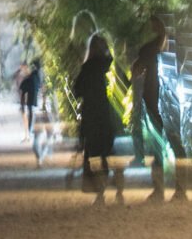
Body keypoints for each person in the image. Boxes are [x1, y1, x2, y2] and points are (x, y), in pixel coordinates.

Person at [125, 14, 183, 203]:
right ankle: (175, 190)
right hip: (162, 106)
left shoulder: (150, 53)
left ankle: (163, 190)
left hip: (156, 107)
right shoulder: (154, 53)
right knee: (169, 149)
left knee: (161, 151)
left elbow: (137, 71)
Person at [72, 31, 120, 203]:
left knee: (93, 152)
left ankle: (99, 190)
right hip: (102, 110)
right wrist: (106, 48)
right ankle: (112, 187)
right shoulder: (102, 65)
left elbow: (77, 90)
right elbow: (110, 59)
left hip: (91, 112)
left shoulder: (87, 67)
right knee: (106, 151)